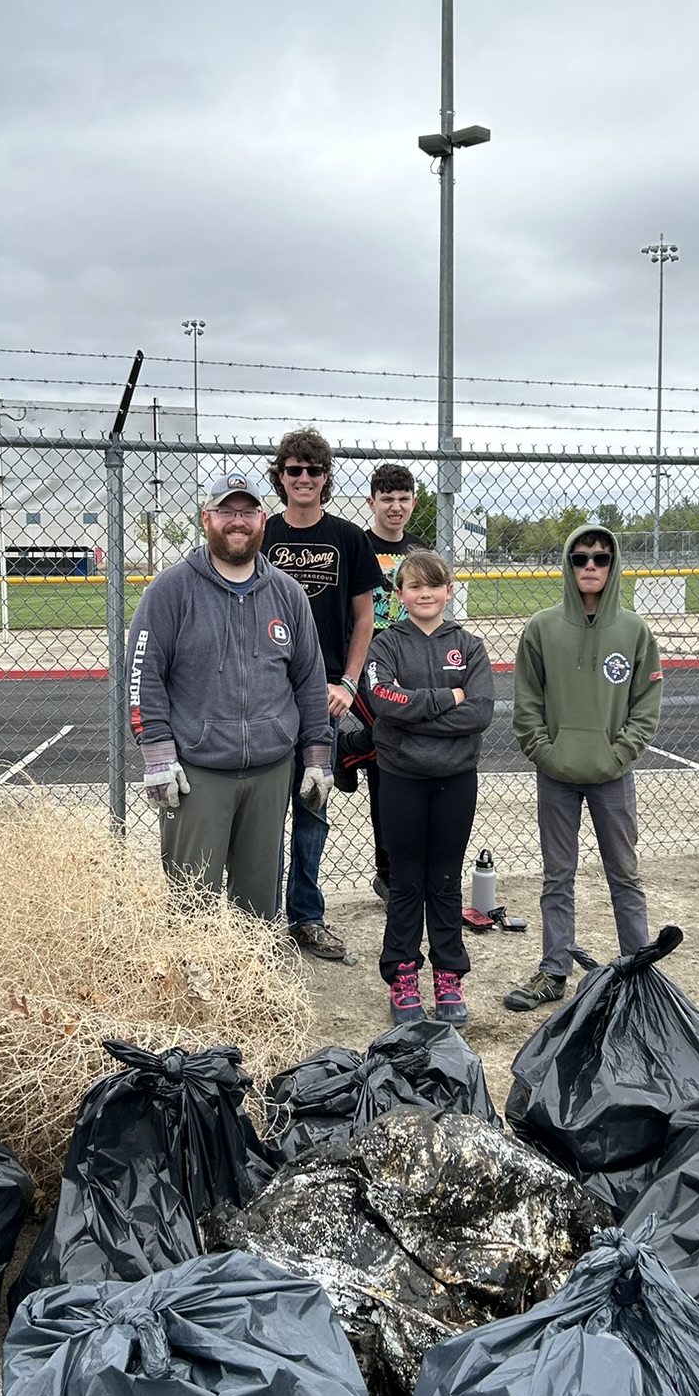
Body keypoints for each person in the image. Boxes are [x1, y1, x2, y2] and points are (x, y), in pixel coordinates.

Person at [125, 472, 333, 920]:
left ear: (262, 520)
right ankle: (192, 967)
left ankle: (253, 968)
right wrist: (157, 754)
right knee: (192, 906)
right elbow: (143, 676)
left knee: (257, 911)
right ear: (206, 519)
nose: (237, 521)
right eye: (226, 511)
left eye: (247, 512)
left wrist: (317, 756)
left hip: (271, 770)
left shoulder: (287, 593)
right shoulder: (170, 590)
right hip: (197, 773)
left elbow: (309, 680)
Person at [505, 524, 663, 1011]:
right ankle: (554, 971)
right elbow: (526, 701)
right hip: (557, 775)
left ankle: (638, 971)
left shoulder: (634, 631)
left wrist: (619, 753)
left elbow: (646, 704)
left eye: (600, 558)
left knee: (624, 874)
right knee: (558, 875)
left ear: (613, 565)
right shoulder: (542, 627)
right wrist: (545, 752)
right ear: (567, 565)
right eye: (580, 558)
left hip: (612, 775)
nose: (590, 566)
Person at [263, 427, 380, 961]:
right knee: (266, 812)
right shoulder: (264, 534)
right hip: (268, 698)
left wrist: (348, 683)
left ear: (326, 477)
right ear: (281, 477)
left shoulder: (348, 538)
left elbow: (364, 619)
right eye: (294, 470)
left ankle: (306, 918)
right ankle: (261, 919)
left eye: (313, 470)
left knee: (311, 810)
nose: (304, 478)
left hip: (324, 697)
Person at [365, 549, 494, 1028]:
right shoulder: (386, 645)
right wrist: (447, 698)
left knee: (444, 879)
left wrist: (413, 716)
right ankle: (402, 974)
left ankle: (448, 974)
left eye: (433, 585)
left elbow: (479, 711)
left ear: (448, 591)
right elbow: (384, 702)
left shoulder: (469, 647)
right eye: (414, 586)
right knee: (405, 881)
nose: (424, 594)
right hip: (401, 778)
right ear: (399, 595)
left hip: (455, 779)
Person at [362, 461, 421, 903]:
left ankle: (407, 864)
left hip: (411, 663)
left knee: (409, 764)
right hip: (370, 662)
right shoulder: (359, 545)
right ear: (372, 503)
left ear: (413, 502)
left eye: (403, 499)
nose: (395, 507)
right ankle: (387, 869)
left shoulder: (419, 551)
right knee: (384, 762)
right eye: (387, 499)